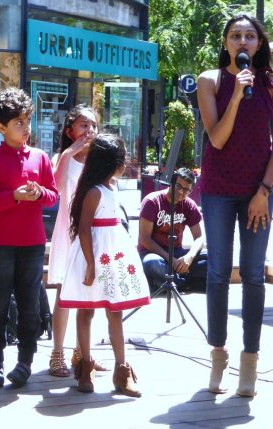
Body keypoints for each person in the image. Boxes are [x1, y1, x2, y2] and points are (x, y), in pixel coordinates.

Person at [196, 13, 273, 397]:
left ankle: (250, 361)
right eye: (235, 36)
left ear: (259, 43)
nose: (243, 41)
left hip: (257, 191)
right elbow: (217, 139)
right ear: (225, 43)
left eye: (250, 36)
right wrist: (235, 95)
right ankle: (218, 355)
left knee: (253, 274)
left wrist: (264, 190)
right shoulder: (210, 80)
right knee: (218, 273)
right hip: (218, 188)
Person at [0, 88, 58, 387]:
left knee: (29, 305)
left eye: (27, 120)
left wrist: (39, 193)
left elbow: (53, 196)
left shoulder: (40, 157)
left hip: (33, 243)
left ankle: (25, 362)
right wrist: (14, 196)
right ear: (1, 127)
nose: (26, 127)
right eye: (18, 122)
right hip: (1, 244)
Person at [59, 133, 150, 398]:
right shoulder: (94, 192)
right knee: (85, 309)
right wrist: (90, 263)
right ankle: (85, 366)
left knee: (115, 310)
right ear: (110, 163)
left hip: (112, 254)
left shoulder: (112, 187)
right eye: (122, 160)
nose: (125, 164)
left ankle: (122, 370)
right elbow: (84, 229)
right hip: (93, 255)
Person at [46, 104, 109, 378]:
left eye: (93, 125)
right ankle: (57, 353)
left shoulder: (100, 159)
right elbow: (55, 188)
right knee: (63, 292)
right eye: (84, 125)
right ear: (70, 131)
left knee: (89, 292)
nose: (90, 130)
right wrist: (68, 154)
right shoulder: (63, 156)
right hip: (68, 231)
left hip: (94, 232)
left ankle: (82, 352)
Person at [138, 167, 207, 293]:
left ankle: (171, 283)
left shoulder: (189, 205)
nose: (181, 192)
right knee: (152, 263)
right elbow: (144, 239)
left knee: (212, 258)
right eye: (178, 186)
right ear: (171, 183)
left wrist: (189, 257)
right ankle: (186, 282)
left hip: (177, 253)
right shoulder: (152, 201)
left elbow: (199, 238)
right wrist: (171, 260)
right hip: (154, 253)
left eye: (186, 190)